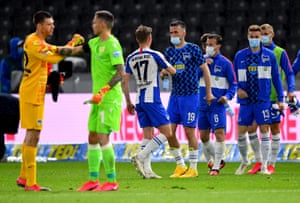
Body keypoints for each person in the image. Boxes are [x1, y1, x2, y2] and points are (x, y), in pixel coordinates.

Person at [16, 10, 84, 191]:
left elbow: (56, 49)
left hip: (35, 93)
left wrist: (73, 45)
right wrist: (72, 46)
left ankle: (24, 177)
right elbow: (54, 56)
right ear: (39, 26)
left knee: (31, 133)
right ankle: (31, 183)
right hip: (31, 94)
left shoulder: (40, 42)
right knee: (33, 135)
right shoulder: (32, 42)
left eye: (53, 23)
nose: (52, 26)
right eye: (49, 24)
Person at [76, 10, 123, 192]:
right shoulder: (94, 43)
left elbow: (121, 72)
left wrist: (103, 91)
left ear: (103, 24)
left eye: (95, 22)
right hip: (96, 99)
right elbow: (73, 50)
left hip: (109, 98)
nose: (92, 25)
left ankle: (112, 181)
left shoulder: (113, 44)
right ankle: (93, 180)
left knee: (103, 136)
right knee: (92, 136)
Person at [122, 25, 177, 179]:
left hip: (139, 99)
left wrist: (127, 101)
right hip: (152, 97)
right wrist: (165, 70)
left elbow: (124, 82)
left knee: (148, 135)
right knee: (167, 132)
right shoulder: (155, 54)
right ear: (149, 39)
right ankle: (140, 156)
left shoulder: (130, 57)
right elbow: (173, 71)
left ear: (136, 39)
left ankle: (147, 171)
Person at [164, 19, 214, 178]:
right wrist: (163, 73)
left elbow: (205, 70)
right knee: (169, 132)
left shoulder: (193, 49)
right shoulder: (169, 52)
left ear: (183, 32)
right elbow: (165, 71)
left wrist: (208, 92)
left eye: (176, 32)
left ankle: (193, 168)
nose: (173, 35)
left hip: (191, 96)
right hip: (174, 97)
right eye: (171, 33)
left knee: (189, 131)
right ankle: (180, 166)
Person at [234, 24, 284, 175]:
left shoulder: (269, 56)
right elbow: (234, 78)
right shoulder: (240, 55)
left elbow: (276, 78)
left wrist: (281, 98)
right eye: (252, 37)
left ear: (261, 38)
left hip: (263, 100)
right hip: (246, 101)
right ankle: (244, 161)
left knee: (264, 130)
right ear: (248, 37)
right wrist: (238, 89)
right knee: (241, 132)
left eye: (257, 37)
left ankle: (263, 166)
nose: (254, 39)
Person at [246, 23, 295, 175]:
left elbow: (289, 72)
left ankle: (271, 163)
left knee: (273, 129)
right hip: (256, 98)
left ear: (272, 34)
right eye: (262, 33)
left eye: (266, 33)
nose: (264, 36)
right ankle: (259, 161)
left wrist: (290, 90)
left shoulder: (279, 52)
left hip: (273, 98)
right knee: (252, 128)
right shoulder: (255, 53)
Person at [198, 34, 237, 176]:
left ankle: (215, 167)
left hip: (217, 105)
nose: (209, 47)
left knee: (219, 134)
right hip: (202, 104)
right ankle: (218, 160)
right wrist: (202, 67)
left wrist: (227, 96)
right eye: (207, 44)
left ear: (218, 46)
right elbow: (193, 78)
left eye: (212, 44)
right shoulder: (200, 61)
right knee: (203, 137)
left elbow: (233, 84)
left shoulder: (226, 64)